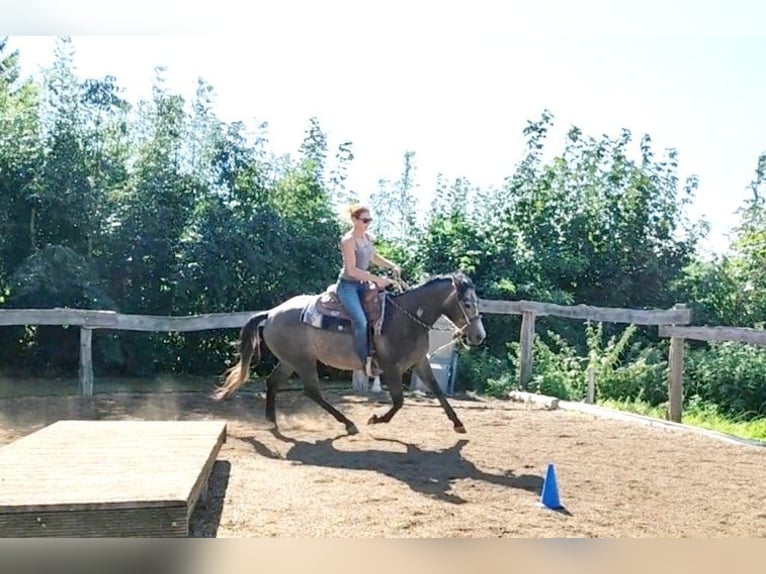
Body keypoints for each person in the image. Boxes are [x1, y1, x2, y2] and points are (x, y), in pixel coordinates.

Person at [335, 203, 401, 378]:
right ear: (354, 220)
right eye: (365, 220)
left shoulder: (367, 237)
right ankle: (361, 359)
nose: (368, 223)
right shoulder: (348, 240)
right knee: (360, 320)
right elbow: (352, 270)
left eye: (370, 220)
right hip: (347, 286)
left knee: (383, 313)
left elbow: (373, 257)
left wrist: (391, 265)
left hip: (363, 285)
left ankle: (379, 354)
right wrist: (378, 279)